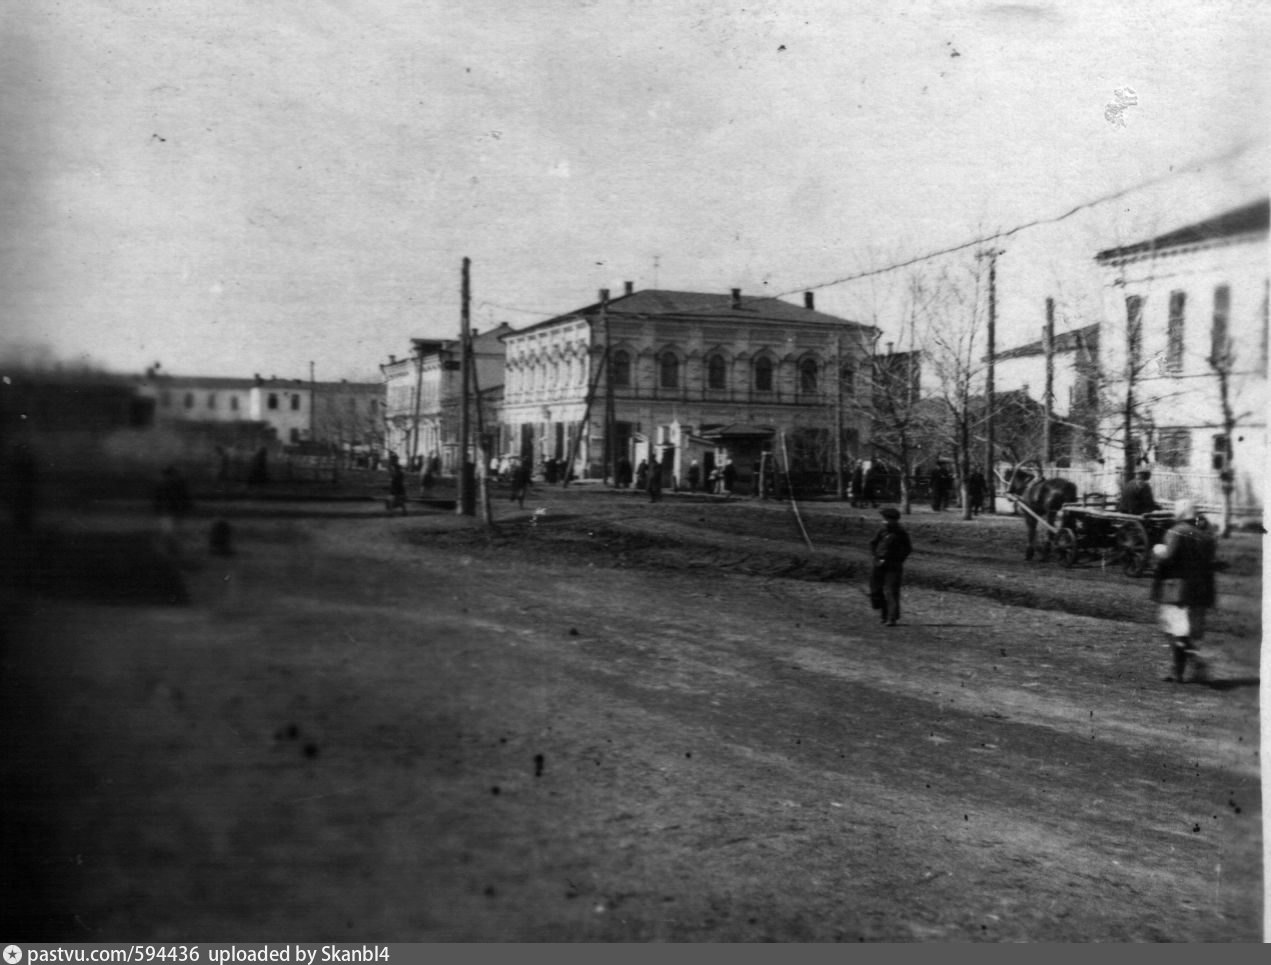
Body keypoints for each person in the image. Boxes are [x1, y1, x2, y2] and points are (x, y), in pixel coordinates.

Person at [1151, 499, 1220, 683]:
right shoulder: (1205, 536)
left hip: (1176, 589)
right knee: (1184, 631)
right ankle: (1180, 671)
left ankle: (1189, 665)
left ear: (1179, 513)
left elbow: (1167, 556)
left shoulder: (1176, 532)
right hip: (1200, 590)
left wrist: (1157, 550)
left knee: (1174, 630)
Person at [868, 507, 912, 627]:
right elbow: (873, 543)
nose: (884, 521)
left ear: (894, 520)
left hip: (893, 566)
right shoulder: (882, 531)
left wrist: (898, 560)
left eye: (886, 519)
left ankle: (891, 618)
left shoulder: (901, 533)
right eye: (884, 519)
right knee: (875, 590)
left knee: (892, 591)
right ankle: (883, 613)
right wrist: (875, 557)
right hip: (878, 564)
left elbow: (908, 549)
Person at [154, 464, 193, 556]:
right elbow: (185, 497)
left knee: (170, 531)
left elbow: (158, 499)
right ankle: (173, 550)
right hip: (171, 511)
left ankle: (172, 550)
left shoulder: (163, 485)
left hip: (169, 511)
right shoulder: (176, 484)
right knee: (172, 531)